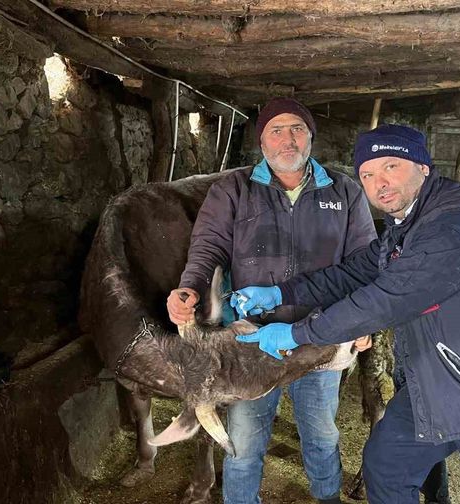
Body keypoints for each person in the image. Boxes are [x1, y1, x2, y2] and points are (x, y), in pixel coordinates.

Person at [233, 124, 460, 504]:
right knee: (386, 467)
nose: (379, 183)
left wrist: (296, 333)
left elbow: (386, 300)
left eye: (391, 166)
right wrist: (280, 292)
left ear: (423, 167)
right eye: (368, 174)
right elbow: (354, 271)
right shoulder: (407, 223)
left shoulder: (458, 222)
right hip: (440, 383)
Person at [166, 97, 377, 504]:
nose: (287, 139)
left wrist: (363, 320)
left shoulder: (345, 191)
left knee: (321, 430)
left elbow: (364, 263)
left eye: (297, 128)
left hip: (321, 333)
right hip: (250, 340)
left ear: (311, 137)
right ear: (261, 142)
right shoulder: (233, 189)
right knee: (245, 437)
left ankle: (326, 496)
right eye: (275, 130)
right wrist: (190, 287)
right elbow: (207, 247)